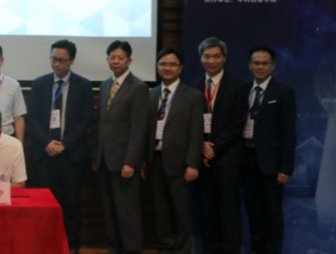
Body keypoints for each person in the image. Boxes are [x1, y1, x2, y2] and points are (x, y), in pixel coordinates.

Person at [26, 39, 93, 253]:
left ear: (72, 60)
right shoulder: (40, 84)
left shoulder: (83, 85)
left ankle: (72, 246)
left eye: (62, 60)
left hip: (72, 154)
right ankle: (48, 244)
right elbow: (32, 117)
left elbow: (86, 120)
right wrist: (47, 142)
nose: (56, 64)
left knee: (72, 203)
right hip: (45, 154)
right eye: (53, 59)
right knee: (47, 203)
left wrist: (65, 144)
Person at [191, 37, 247, 254]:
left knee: (230, 212)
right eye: (207, 56)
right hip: (201, 160)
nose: (211, 61)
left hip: (227, 159)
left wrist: (212, 147)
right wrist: (201, 145)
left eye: (216, 56)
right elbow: (190, 121)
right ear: (200, 58)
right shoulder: (194, 84)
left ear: (224, 58)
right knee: (206, 211)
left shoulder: (238, 85)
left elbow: (237, 124)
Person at [144, 48, 203, 254]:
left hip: (181, 165)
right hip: (155, 161)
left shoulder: (193, 96)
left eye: (172, 64)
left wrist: (193, 164)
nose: (167, 68)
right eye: (163, 64)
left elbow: (197, 133)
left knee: (181, 213)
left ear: (180, 68)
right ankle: (165, 248)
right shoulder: (150, 94)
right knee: (161, 212)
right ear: (157, 67)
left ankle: (182, 250)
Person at [93, 40, 148, 254]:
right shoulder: (105, 85)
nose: (116, 61)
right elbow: (101, 124)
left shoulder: (138, 87)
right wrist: (96, 156)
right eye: (112, 57)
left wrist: (130, 162)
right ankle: (115, 249)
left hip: (124, 162)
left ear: (129, 61)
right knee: (110, 211)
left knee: (127, 213)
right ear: (107, 60)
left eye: (120, 58)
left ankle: (132, 250)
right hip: (105, 160)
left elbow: (138, 129)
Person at [241, 46, 296, 254]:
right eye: (256, 63)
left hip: (271, 164)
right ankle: (257, 249)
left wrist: (286, 168)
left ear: (272, 66)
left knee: (272, 212)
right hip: (246, 160)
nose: (260, 67)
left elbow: (289, 133)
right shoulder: (243, 90)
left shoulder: (283, 92)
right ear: (250, 66)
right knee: (253, 211)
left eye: (265, 63)